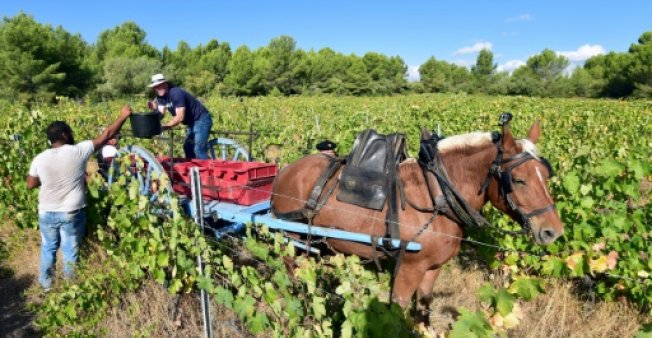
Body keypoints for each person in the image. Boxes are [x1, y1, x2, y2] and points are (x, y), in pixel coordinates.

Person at [26, 106, 132, 291]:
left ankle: (45, 287)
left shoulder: (39, 158)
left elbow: (31, 184)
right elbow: (107, 133)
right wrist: (123, 116)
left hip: (46, 212)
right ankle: (70, 290)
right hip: (71, 212)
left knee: (48, 249)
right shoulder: (78, 151)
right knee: (69, 251)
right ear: (65, 135)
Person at [147, 73, 214, 159]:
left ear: (166, 84)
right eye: (156, 87)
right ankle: (193, 169)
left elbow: (180, 117)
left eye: (160, 85)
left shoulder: (175, 93)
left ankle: (209, 170)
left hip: (201, 119)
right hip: (192, 123)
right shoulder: (160, 98)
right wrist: (154, 109)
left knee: (199, 149)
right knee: (188, 148)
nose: (158, 88)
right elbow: (161, 115)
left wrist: (167, 125)